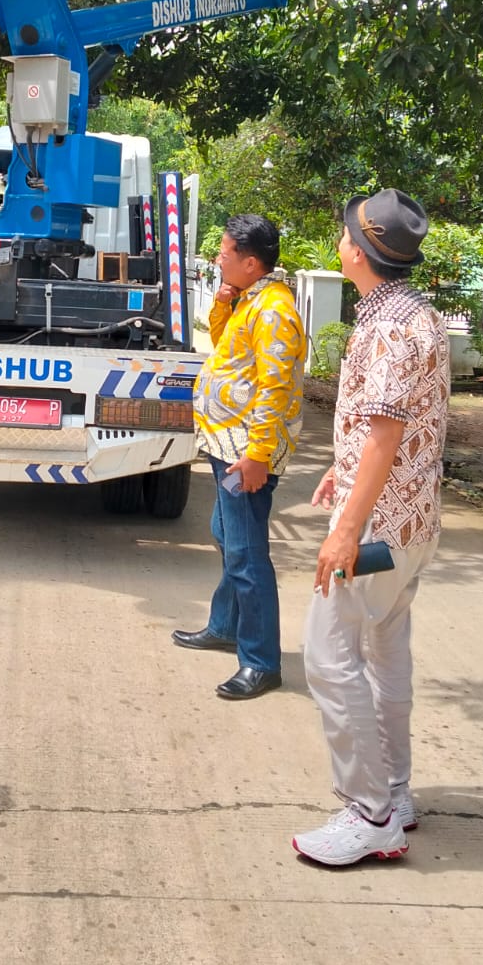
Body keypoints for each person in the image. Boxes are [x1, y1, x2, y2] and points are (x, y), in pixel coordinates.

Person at [292, 189, 450, 868]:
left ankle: (370, 813)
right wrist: (341, 466)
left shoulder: (386, 327)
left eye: (344, 232)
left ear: (358, 251)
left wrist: (344, 530)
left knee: (328, 659)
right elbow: (386, 427)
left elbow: (385, 435)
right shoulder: (418, 315)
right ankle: (397, 793)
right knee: (386, 658)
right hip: (413, 527)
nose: (339, 237)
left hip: (378, 533)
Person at [172, 213, 306, 699]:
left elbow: (274, 388)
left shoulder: (273, 311)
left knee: (247, 553)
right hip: (227, 444)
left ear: (251, 263)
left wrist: (258, 455)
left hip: (245, 452)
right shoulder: (250, 299)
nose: (217, 259)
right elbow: (224, 342)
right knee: (224, 534)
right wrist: (224, 301)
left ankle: (261, 660)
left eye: (225, 254)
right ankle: (226, 624)